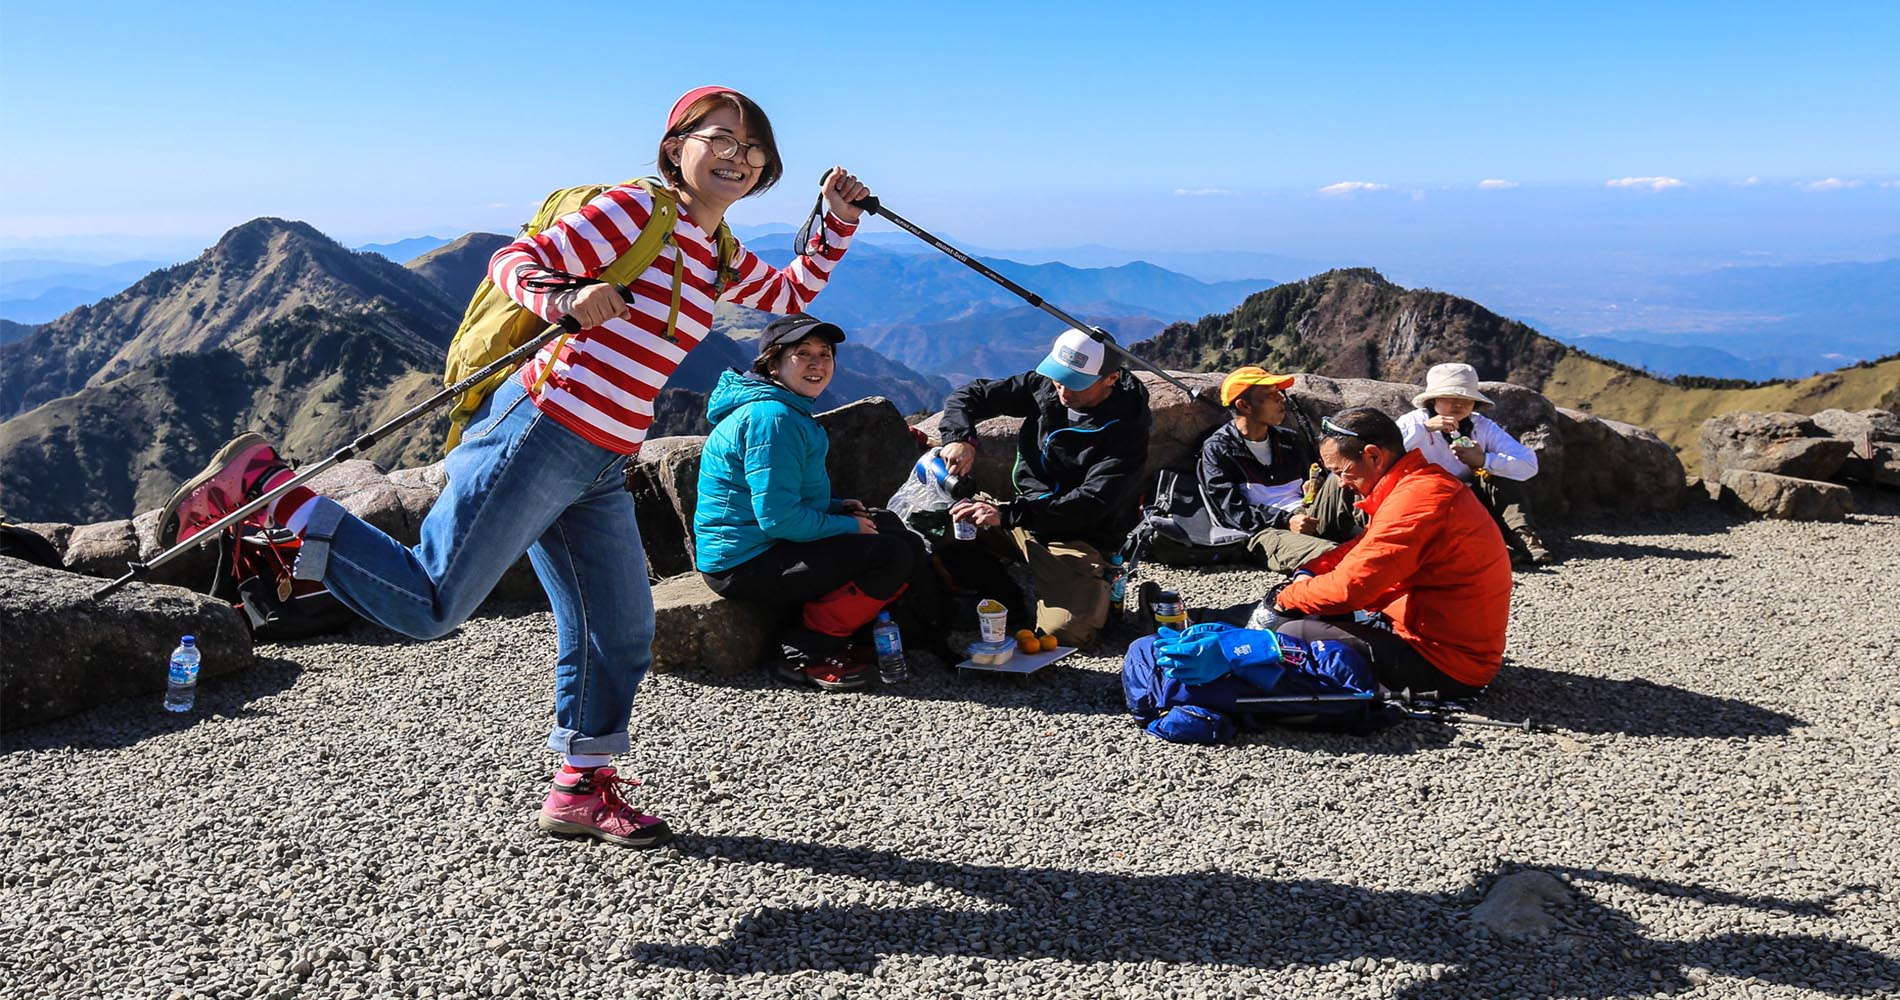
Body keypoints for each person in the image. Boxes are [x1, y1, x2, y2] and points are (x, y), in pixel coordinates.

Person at [155, 87, 871, 849]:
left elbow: (791, 291)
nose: (738, 156)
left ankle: (580, 790)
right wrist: (563, 296)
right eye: (719, 139)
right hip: (542, 428)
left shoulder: (715, 249)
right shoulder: (638, 211)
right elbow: (515, 261)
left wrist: (836, 220)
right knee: (433, 602)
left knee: (619, 631)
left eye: (753, 148)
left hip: (602, 459)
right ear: (675, 147)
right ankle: (271, 496)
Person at [694, 315, 926, 691]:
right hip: (744, 563)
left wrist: (837, 508)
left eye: (825, 354)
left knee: (888, 526)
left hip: (762, 546)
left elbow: (783, 496)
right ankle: (805, 653)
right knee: (890, 554)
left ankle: (863, 635)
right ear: (773, 362)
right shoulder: (773, 419)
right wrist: (848, 526)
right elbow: (779, 520)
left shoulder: (783, 407)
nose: (818, 363)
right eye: (803, 354)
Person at [1263, 406, 1513, 698]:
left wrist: (1287, 598)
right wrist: (1313, 570)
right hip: (1450, 643)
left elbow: (1352, 589)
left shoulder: (1417, 499)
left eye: (1341, 471)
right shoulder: (1419, 484)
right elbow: (1365, 546)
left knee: (1292, 634)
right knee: (1314, 613)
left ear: (1373, 455)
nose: (1341, 484)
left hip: (1446, 665)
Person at [934, 327, 1151, 646]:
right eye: (1058, 377)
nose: (1063, 390)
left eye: (1076, 383)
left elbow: (1090, 502)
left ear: (1111, 378)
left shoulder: (1127, 430)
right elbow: (970, 395)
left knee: (1067, 632)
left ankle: (1089, 583)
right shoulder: (1044, 387)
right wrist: (960, 439)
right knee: (937, 520)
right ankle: (1006, 594)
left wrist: (1008, 515)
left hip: (1076, 534)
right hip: (1021, 515)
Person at [1198, 366, 1360, 574]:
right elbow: (1231, 511)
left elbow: (1315, 475)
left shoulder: (1288, 439)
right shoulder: (1218, 449)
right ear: (1244, 405)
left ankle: (1385, 530)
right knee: (1332, 555)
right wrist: (1285, 520)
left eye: (1279, 393)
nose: (1281, 399)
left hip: (1308, 515)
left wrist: (1314, 485)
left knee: (1342, 477)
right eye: (1270, 395)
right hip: (1264, 532)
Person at [1396, 362, 1551, 565]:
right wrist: (1424, 429)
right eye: (1450, 397)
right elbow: (1387, 453)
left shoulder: (1483, 426)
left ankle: (1522, 537)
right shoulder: (1413, 422)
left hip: (1470, 497)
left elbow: (1528, 464)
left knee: (1501, 475)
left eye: (1466, 399)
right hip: (1425, 498)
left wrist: (1485, 460)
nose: (1458, 404)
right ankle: (1485, 548)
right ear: (1433, 399)